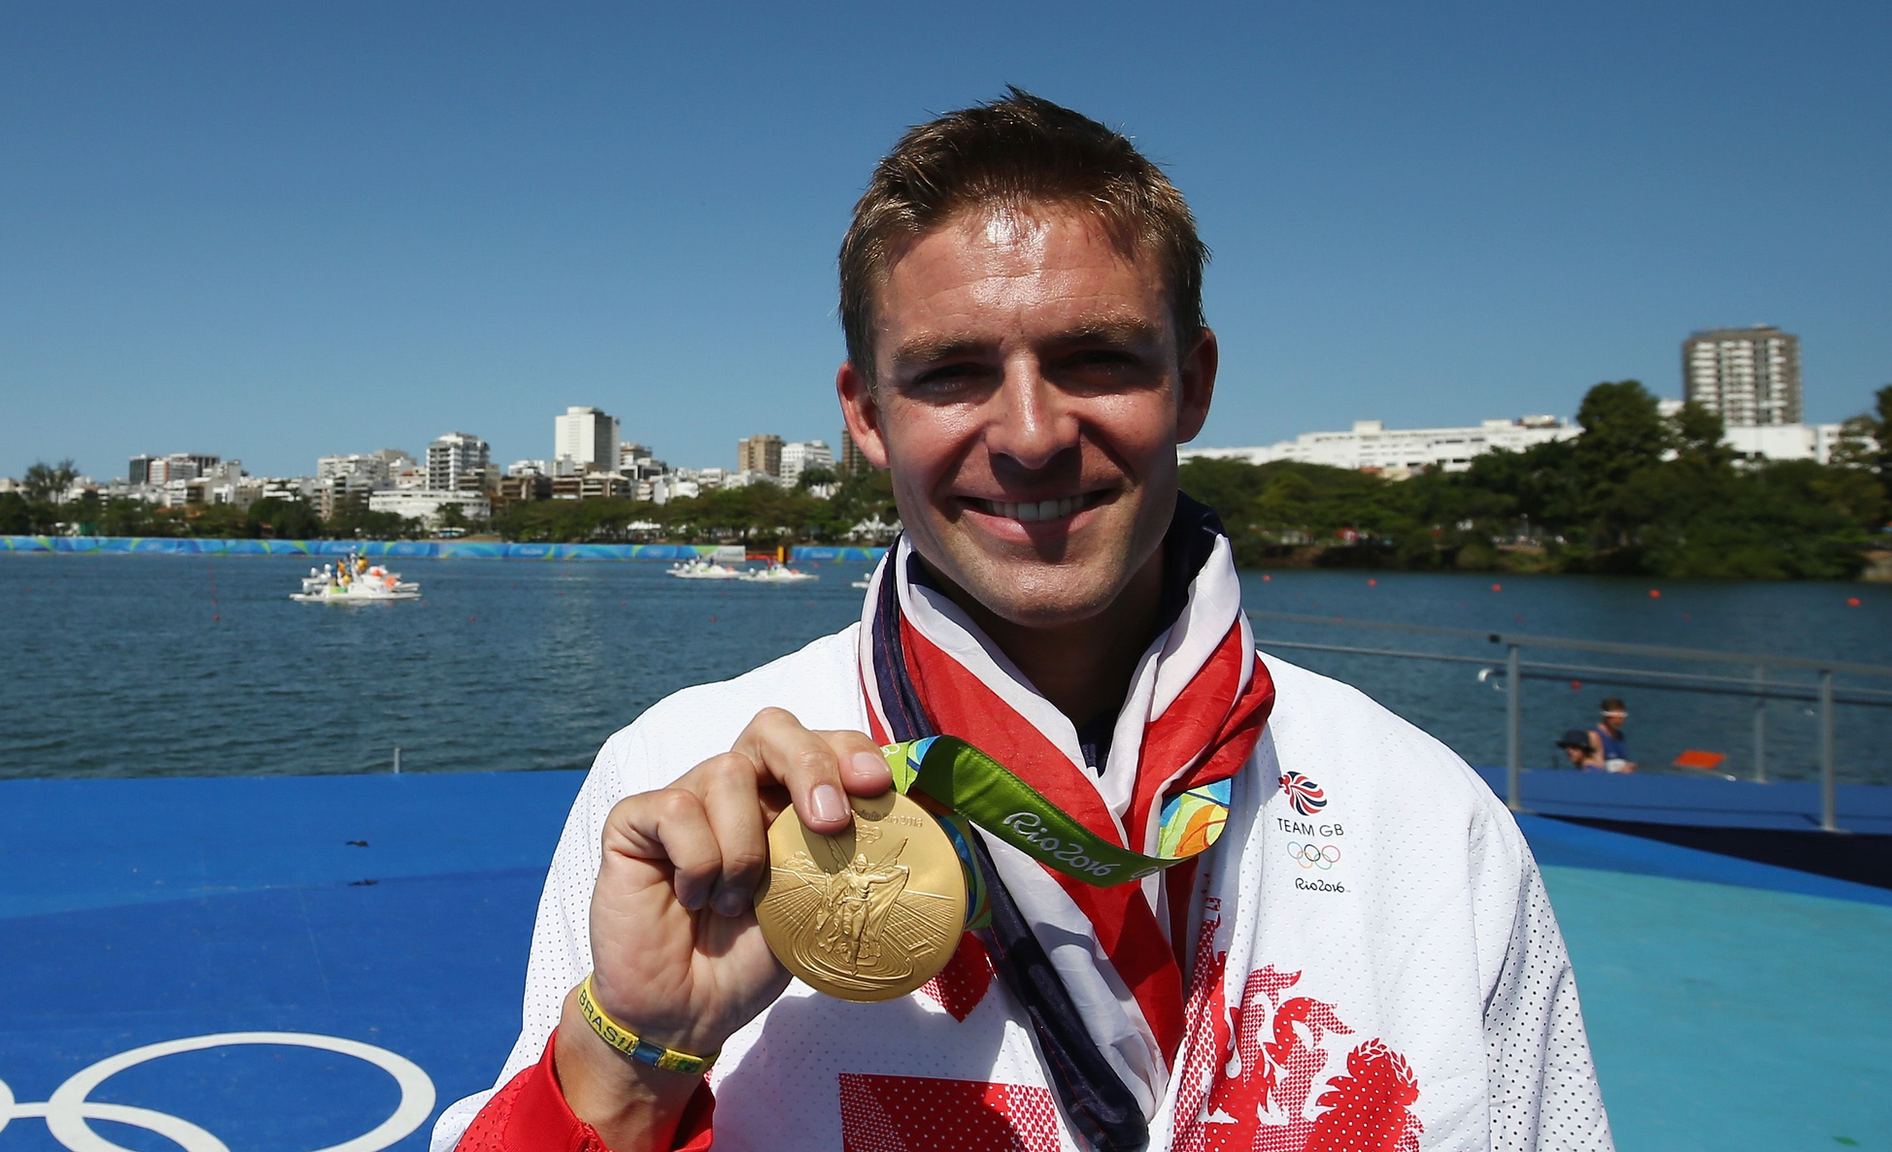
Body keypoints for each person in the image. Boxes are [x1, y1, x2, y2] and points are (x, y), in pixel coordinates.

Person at [434, 91, 1611, 1152]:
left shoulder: (1421, 818)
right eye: (951, 372)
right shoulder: (680, 799)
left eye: (1094, 357)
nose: (1032, 432)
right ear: (865, 412)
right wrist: (634, 1063)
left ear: (1192, 382)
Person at [1589, 698, 1637, 773]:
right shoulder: (1594, 736)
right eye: (1613, 717)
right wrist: (1619, 770)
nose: (1618, 721)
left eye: (1621, 717)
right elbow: (1594, 767)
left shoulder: (1620, 736)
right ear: (1604, 716)